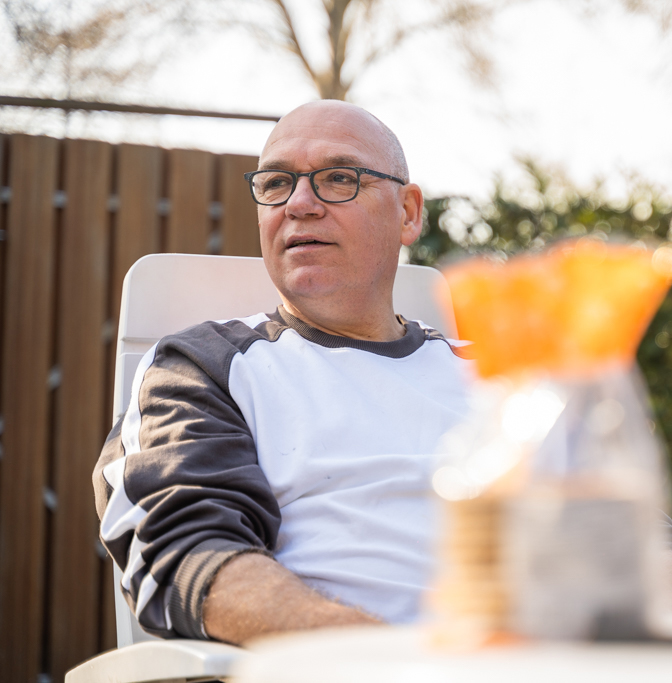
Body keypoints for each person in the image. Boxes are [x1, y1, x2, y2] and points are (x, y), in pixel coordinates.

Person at [93, 100, 472, 645]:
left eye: (339, 178)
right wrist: (395, 659)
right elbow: (185, 556)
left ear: (408, 213)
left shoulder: (501, 379)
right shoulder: (204, 368)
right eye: (276, 183)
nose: (299, 204)